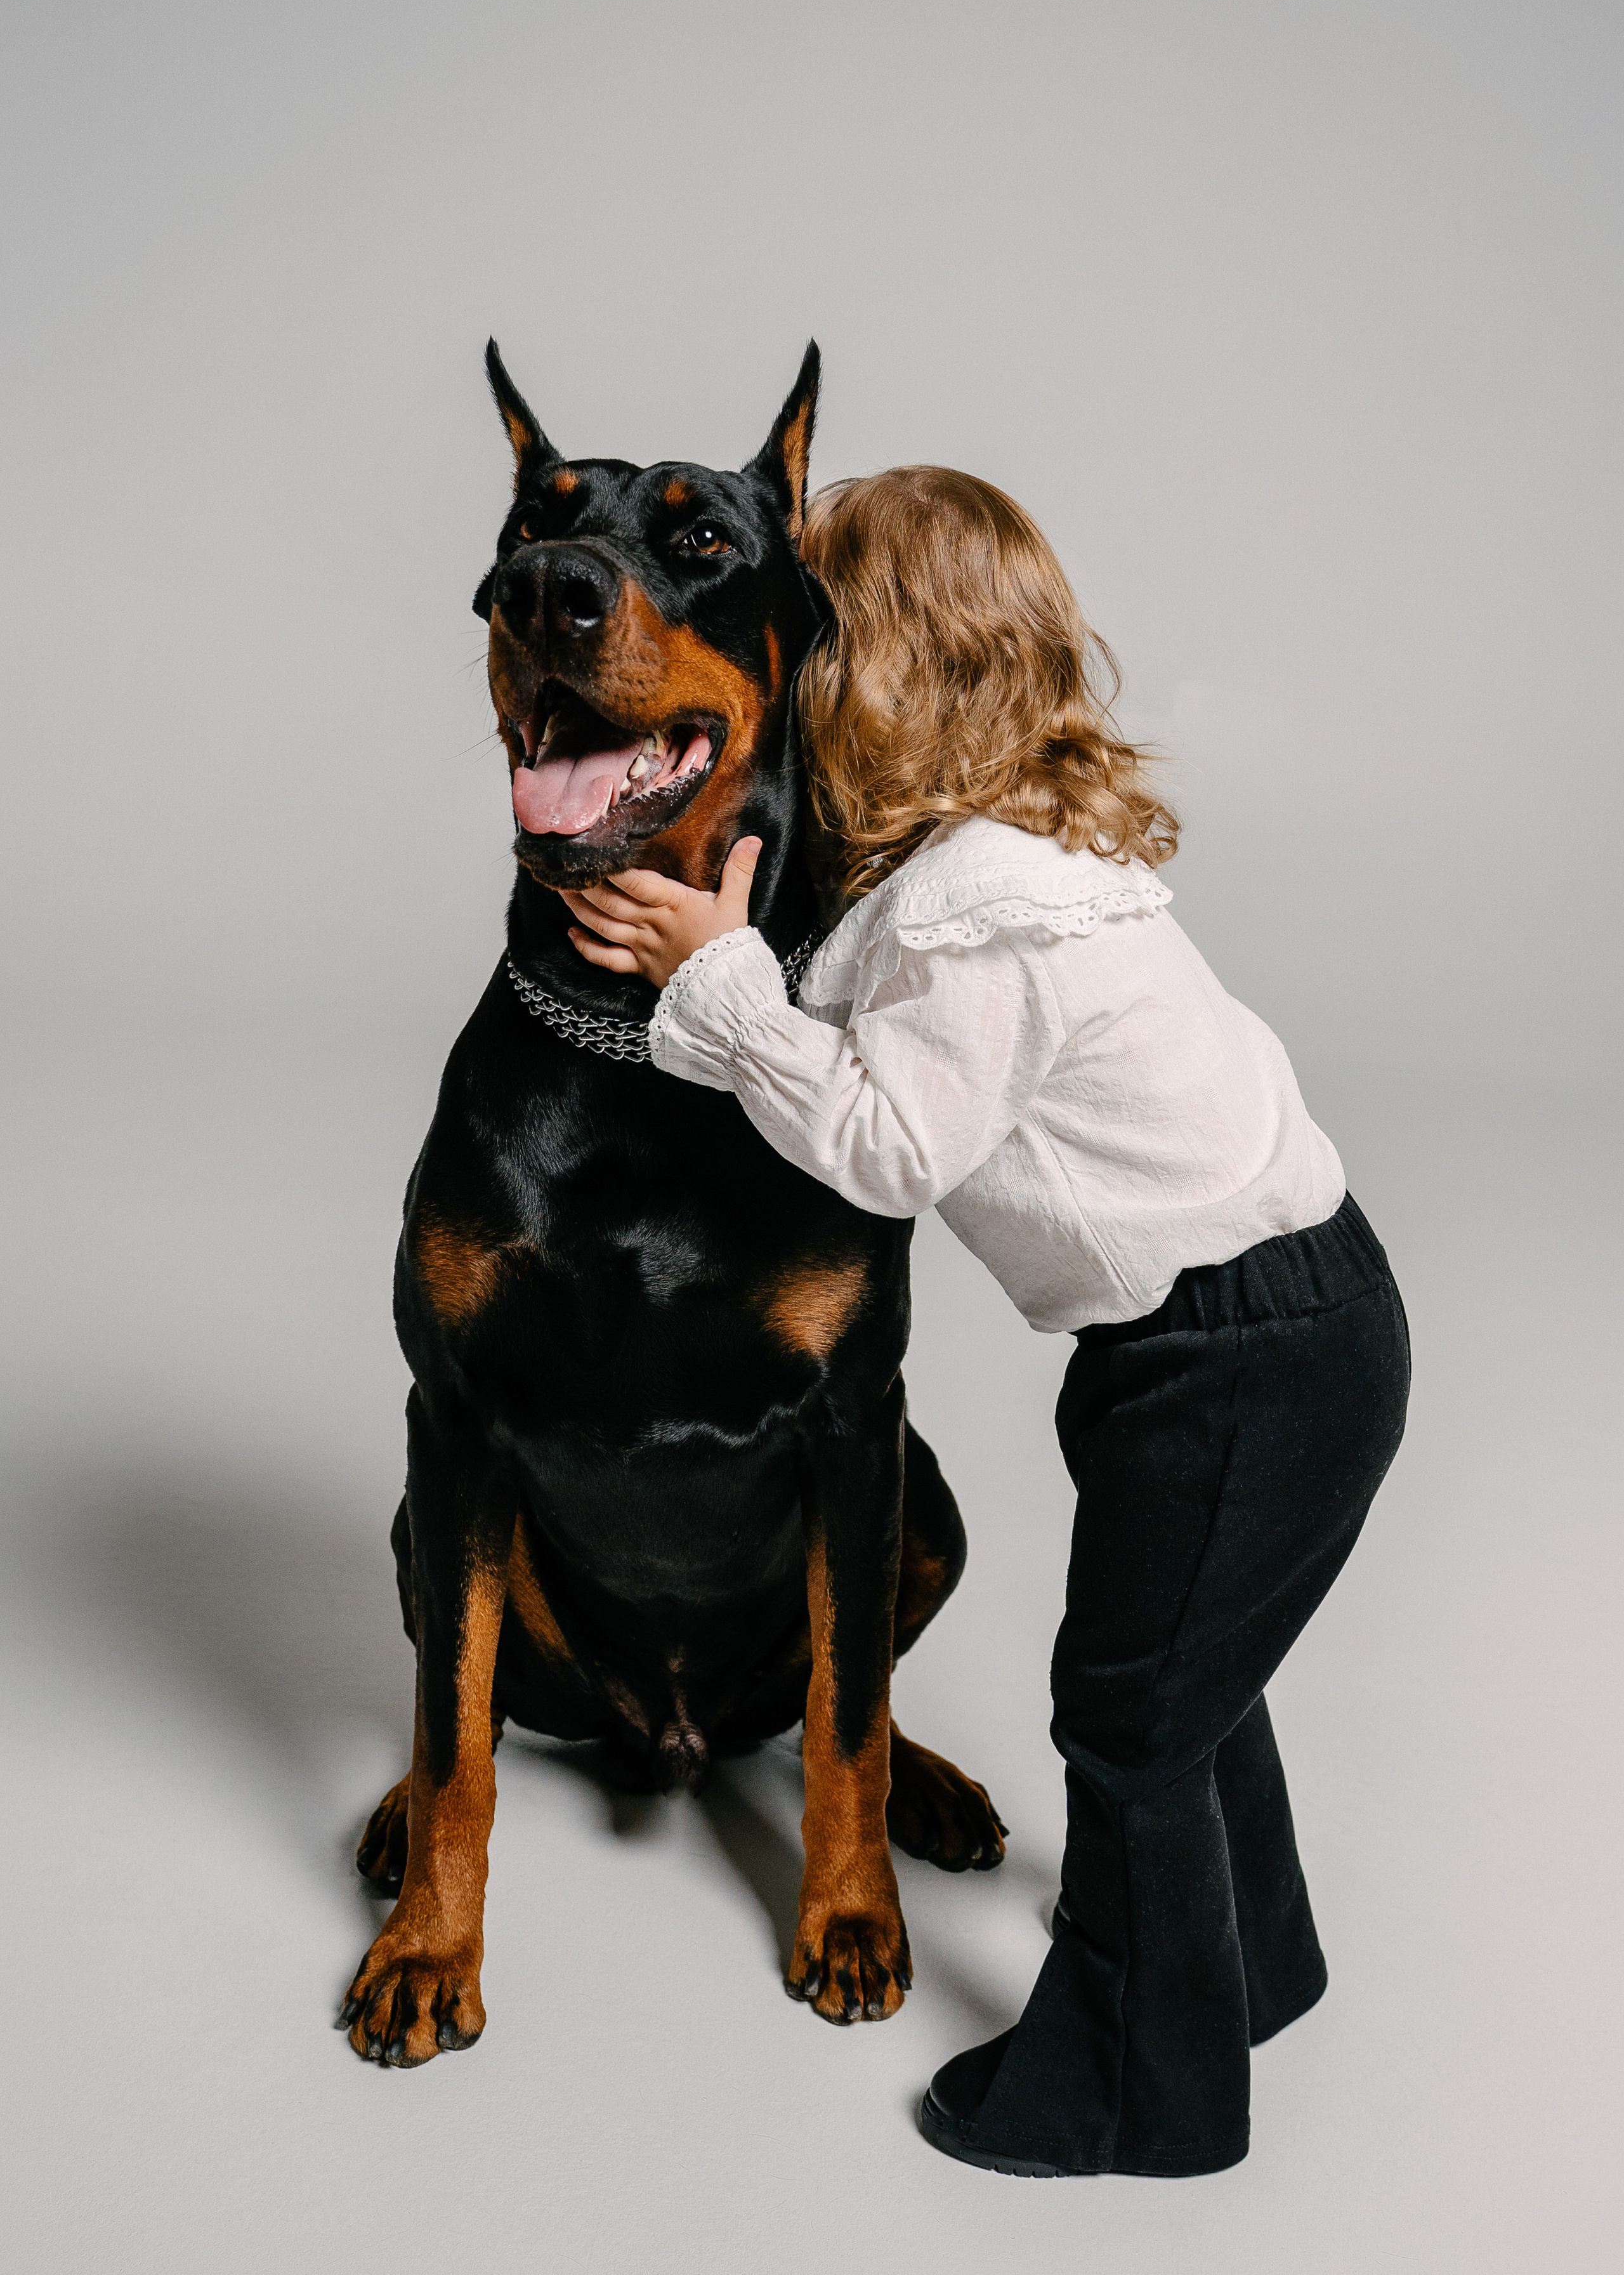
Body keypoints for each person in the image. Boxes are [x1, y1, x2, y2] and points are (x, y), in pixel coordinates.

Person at [555, 466, 1410, 2179]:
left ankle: (1136, 2092)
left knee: (1130, 1721)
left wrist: (711, 979)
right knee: (1194, 1683)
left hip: (1241, 1359)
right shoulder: (1019, 856)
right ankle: (1257, 1971)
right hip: (1279, 1323)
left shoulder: (974, 922)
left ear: (862, 672)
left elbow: (887, 1146)